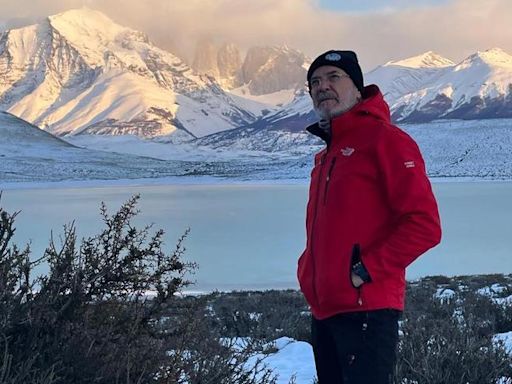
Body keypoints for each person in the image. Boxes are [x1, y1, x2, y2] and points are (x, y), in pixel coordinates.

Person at [297, 50, 442, 383]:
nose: (323, 87)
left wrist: (364, 271)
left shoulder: (387, 141)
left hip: (367, 310)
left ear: (358, 89)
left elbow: (425, 226)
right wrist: (308, 270)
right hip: (326, 309)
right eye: (315, 82)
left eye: (334, 77)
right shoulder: (326, 155)